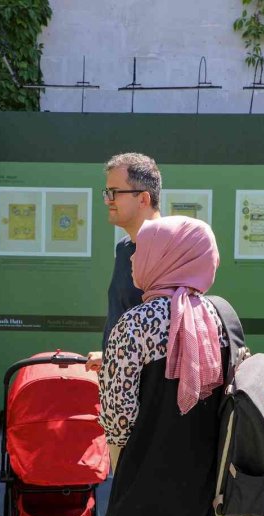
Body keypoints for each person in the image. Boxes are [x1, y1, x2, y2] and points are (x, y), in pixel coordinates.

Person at [98, 216, 233, 516]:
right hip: (201, 491)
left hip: (143, 490)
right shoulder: (221, 318)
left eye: (142, 249)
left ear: (167, 256)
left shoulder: (134, 324)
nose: (132, 258)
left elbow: (117, 420)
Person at [85, 152, 162, 375]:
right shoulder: (124, 248)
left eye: (115, 193)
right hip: (119, 383)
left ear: (143, 199)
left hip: (150, 393)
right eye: (107, 192)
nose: (108, 200)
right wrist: (110, 355)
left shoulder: (170, 252)